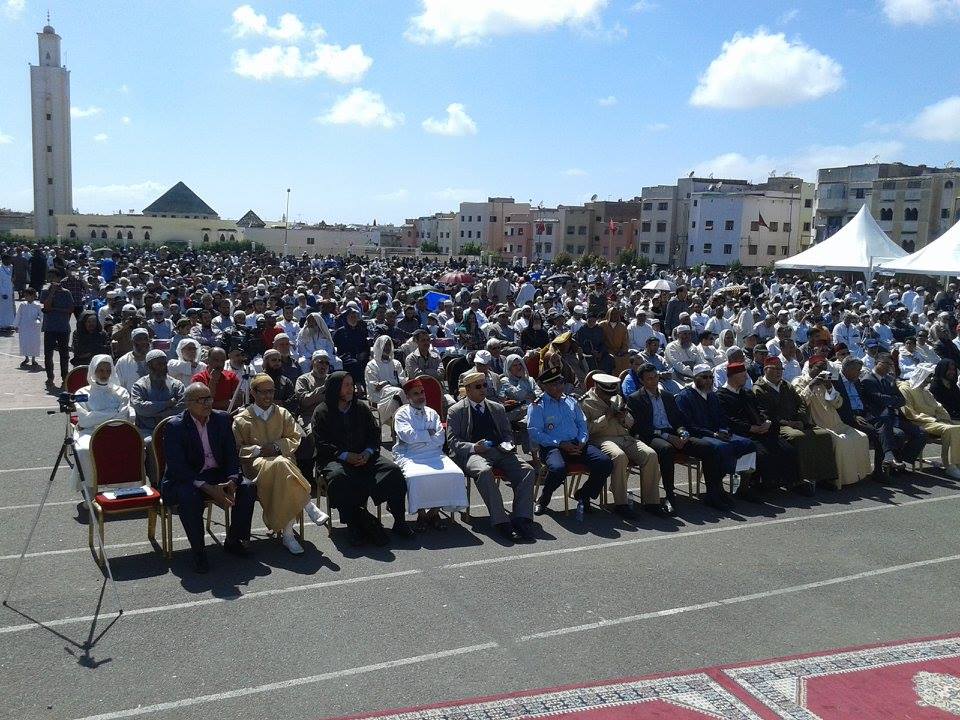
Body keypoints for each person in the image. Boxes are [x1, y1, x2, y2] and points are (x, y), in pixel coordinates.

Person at [161, 383, 257, 573]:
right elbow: (177, 466)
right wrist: (206, 487)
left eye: (209, 398)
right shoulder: (175, 426)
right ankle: (199, 552)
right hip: (186, 477)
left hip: (217, 472)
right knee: (190, 498)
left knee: (247, 487)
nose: (207, 404)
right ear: (188, 404)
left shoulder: (221, 419)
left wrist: (232, 478)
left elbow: (231, 454)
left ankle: (234, 540)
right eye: (201, 400)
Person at [311, 371, 411, 546]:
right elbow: (322, 443)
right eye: (346, 385)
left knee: (393, 471)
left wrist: (368, 452)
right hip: (334, 459)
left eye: (352, 384)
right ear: (335, 388)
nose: (352, 389)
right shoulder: (322, 411)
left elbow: (374, 434)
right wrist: (345, 455)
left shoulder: (361, 407)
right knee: (338, 477)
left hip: (364, 457)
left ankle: (399, 521)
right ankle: (353, 524)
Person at [233, 374, 327, 554]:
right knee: (282, 466)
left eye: (271, 391)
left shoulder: (283, 413)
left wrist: (277, 446)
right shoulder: (242, 419)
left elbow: (295, 437)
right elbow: (237, 449)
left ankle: (288, 534)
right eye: (263, 392)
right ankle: (307, 505)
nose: (268, 396)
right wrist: (259, 450)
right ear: (253, 392)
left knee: (282, 466)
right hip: (256, 467)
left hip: (284, 465)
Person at [446, 370, 536, 542]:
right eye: (478, 386)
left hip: (500, 451)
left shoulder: (497, 407)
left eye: (485, 385)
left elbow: (507, 434)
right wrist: (474, 447)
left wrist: (507, 444)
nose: (483, 389)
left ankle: (521, 518)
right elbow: (452, 441)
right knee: (484, 471)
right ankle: (501, 521)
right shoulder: (456, 411)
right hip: (474, 454)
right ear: (468, 389)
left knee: (527, 470)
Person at [627, 362, 726, 510]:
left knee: (707, 447)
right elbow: (641, 428)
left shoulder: (667, 396)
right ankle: (669, 495)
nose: (653, 381)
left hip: (672, 433)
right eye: (649, 379)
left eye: (655, 377)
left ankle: (712, 493)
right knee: (667, 449)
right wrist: (668, 436)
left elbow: (678, 421)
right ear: (641, 380)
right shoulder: (635, 398)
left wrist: (682, 433)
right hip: (652, 436)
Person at [528, 367, 613, 519]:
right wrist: (560, 443)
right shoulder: (538, 405)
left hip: (577, 444)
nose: (558, 387)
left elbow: (582, 424)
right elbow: (535, 433)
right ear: (545, 387)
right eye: (554, 385)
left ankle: (583, 494)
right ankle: (544, 499)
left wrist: (581, 441)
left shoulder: (571, 401)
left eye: (560, 383)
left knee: (605, 462)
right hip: (553, 447)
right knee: (558, 469)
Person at [580, 373, 666, 517]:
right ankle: (621, 504)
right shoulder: (585, 402)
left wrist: (623, 418)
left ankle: (651, 502)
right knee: (619, 456)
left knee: (650, 455)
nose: (609, 397)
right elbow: (586, 429)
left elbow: (631, 423)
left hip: (625, 437)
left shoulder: (616, 398)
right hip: (602, 439)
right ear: (597, 388)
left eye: (611, 393)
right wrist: (606, 417)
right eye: (606, 393)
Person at [675, 364, 756, 510]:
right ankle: (715, 492)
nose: (708, 380)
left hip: (717, 433)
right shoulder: (684, 397)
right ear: (695, 378)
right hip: (697, 436)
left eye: (711, 377)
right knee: (720, 447)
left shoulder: (712, 395)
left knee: (748, 444)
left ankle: (743, 488)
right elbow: (688, 425)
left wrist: (723, 430)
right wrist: (713, 434)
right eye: (704, 377)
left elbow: (721, 417)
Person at [393, 378, 468, 531]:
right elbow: (407, 436)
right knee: (416, 477)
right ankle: (421, 514)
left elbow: (440, 438)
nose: (421, 396)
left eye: (422, 392)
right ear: (408, 397)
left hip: (434, 453)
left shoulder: (432, 413)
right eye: (416, 394)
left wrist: (420, 437)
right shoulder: (401, 414)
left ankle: (434, 513)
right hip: (410, 455)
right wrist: (428, 434)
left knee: (453, 473)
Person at [753, 355, 836, 491]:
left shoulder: (786, 385)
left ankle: (824, 477)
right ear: (766, 369)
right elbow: (764, 414)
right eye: (775, 369)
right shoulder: (759, 388)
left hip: (796, 422)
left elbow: (801, 404)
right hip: (778, 426)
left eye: (781, 368)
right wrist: (789, 423)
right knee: (798, 437)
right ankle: (798, 480)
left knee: (824, 435)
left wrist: (800, 420)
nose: (779, 371)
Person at [798, 356, 872, 489]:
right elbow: (800, 402)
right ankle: (838, 480)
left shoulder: (828, 383)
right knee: (842, 442)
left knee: (862, 437)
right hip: (817, 423)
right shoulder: (800, 381)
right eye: (819, 368)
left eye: (824, 369)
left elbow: (838, 404)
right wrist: (812, 384)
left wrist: (830, 388)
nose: (822, 371)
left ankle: (858, 475)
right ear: (810, 368)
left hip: (836, 422)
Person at [70, 355, 132, 512]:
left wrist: (96, 415)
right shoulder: (81, 392)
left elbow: (122, 416)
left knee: (132, 446)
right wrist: (111, 413)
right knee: (84, 450)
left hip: (117, 430)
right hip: (90, 432)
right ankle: (91, 492)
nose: (104, 374)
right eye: (100, 370)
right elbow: (83, 420)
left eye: (107, 370)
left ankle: (123, 489)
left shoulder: (121, 392)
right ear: (93, 371)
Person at [859, 352, 927, 473]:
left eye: (890, 364)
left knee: (921, 433)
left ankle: (903, 461)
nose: (888, 367)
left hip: (894, 417)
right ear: (876, 363)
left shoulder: (890, 379)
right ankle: (891, 465)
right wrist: (891, 400)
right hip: (878, 418)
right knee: (899, 435)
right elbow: (879, 399)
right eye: (885, 364)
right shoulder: (867, 380)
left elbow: (902, 400)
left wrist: (889, 400)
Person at [898, 363, 960, 479]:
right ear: (921, 375)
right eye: (928, 377)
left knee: (955, 426)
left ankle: (958, 463)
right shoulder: (905, 389)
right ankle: (950, 466)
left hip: (934, 422)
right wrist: (934, 419)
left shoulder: (925, 391)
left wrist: (946, 419)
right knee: (951, 429)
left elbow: (938, 407)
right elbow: (909, 412)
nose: (930, 380)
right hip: (919, 423)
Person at [131, 349, 186, 438]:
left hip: (173, 427)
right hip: (147, 430)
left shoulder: (177, 385)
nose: (163, 367)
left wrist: (161, 416)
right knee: (149, 442)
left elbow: (183, 406)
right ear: (149, 366)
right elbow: (140, 407)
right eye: (159, 364)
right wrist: (167, 404)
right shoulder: (139, 386)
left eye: (164, 363)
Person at [40, 267, 75, 388]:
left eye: (53, 277)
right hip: (49, 328)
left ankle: (65, 377)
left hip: (63, 328)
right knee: (48, 354)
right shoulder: (45, 291)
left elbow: (71, 309)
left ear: (59, 278)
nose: (50, 279)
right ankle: (50, 377)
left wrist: (56, 309)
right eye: (49, 277)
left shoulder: (66, 293)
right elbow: (46, 306)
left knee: (64, 355)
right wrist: (52, 292)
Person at [365, 335, 407, 429]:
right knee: (399, 393)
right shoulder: (372, 365)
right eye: (385, 345)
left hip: (396, 394)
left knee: (395, 400)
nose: (387, 348)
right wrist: (390, 383)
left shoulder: (396, 363)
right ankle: (403, 423)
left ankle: (398, 427)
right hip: (379, 395)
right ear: (379, 346)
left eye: (389, 345)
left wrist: (386, 382)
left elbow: (402, 380)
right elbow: (374, 386)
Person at [190, 346, 240, 412]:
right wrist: (213, 381)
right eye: (216, 360)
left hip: (227, 416)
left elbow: (238, 401)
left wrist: (214, 404)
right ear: (208, 360)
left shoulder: (232, 376)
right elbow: (202, 404)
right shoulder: (198, 379)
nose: (219, 364)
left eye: (222, 361)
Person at [293, 349, 331, 423]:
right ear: (313, 363)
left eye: (327, 363)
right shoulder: (303, 379)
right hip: (310, 417)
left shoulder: (331, 378)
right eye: (321, 362)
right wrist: (323, 388)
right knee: (313, 433)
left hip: (330, 416)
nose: (324, 365)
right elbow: (304, 402)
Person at [115, 328, 152, 392]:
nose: (143, 342)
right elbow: (118, 386)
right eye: (139, 339)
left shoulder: (155, 358)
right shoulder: (123, 362)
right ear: (132, 342)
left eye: (145, 339)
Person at [13, 286, 42, 368]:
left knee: (34, 342)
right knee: (24, 342)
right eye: (25, 296)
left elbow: (41, 315)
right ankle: (26, 358)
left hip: (34, 327)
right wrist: (16, 325)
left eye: (27, 295)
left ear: (33, 296)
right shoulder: (22, 305)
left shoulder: (37, 305)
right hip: (24, 327)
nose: (26, 297)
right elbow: (18, 315)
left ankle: (33, 359)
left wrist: (39, 322)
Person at [0, 254, 15, 333]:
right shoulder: (0, 269)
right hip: (2, 294)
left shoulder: (9, 268)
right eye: (8, 260)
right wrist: (2, 293)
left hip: (9, 292)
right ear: (4, 260)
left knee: (8, 310)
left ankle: (8, 324)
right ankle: (1, 325)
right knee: (2, 310)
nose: (10, 261)